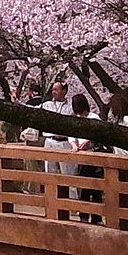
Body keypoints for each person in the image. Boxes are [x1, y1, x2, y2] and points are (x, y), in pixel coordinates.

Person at [69, 93, 107, 224]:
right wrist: (74, 145)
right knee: (84, 188)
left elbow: (99, 135)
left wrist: (87, 142)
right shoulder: (75, 119)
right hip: (82, 157)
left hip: (94, 156)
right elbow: (71, 136)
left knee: (96, 188)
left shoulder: (94, 118)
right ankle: (83, 216)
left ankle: (97, 217)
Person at [40, 80, 76, 214]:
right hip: (49, 141)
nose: (54, 92)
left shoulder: (71, 107)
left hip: (65, 141)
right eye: (53, 89)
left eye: (57, 89)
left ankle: (72, 206)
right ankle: (50, 203)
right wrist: (15, 100)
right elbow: (31, 109)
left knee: (68, 174)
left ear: (64, 91)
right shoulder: (47, 105)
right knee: (50, 173)